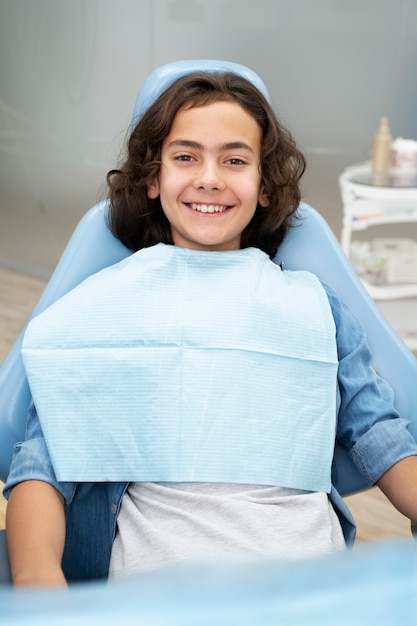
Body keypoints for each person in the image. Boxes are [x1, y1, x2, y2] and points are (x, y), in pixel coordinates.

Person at [4, 64, 417, 588]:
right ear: (153, 179)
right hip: (160, 594)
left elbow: (378, 431)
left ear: (265, 185)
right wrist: (38, 579)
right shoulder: (102, 309)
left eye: (235, 160)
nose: (210, 177)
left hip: (309, 591)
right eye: (185, 157)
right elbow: (42, 466)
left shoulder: (313, 308)